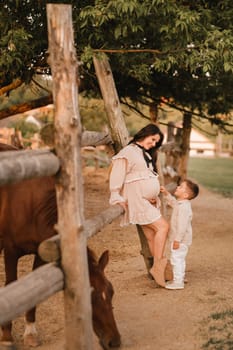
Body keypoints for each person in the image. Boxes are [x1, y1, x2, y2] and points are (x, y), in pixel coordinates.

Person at [109, 124, 169, 287]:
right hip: (136, 199)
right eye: (153, 139)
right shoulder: (129, 152)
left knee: (151, 235)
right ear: (146, 134)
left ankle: (162, 271)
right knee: (163, 227)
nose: (154, 143)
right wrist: (115, 195)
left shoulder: (147, 155)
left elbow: (144, 177)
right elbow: (117, 173)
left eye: (157, 142)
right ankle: (159, 266)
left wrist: (152, 195)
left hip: (145, 199)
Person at [160, 179, 199, 290]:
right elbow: (173, 203)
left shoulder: (184, 208)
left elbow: (182, 226)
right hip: (180, 240)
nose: (177, 187)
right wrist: (166, 193)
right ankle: (179, 278)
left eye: (181, 187)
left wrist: (177, 240)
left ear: (185, 195)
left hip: (180, 240)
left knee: (177, 259)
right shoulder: (181, 204)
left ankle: (178, 282)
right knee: (178, 259)